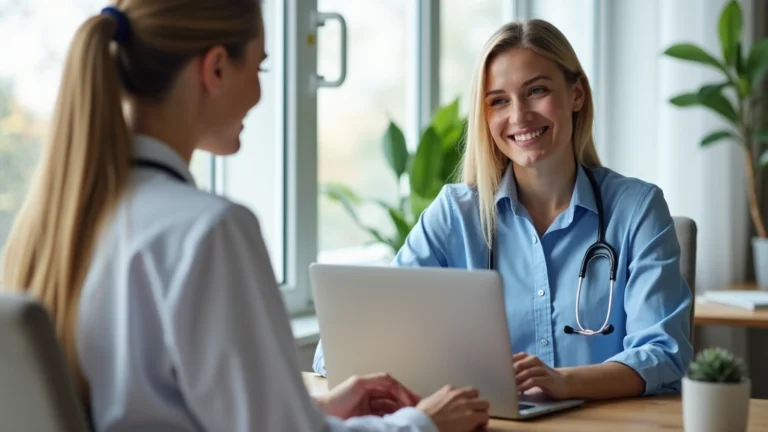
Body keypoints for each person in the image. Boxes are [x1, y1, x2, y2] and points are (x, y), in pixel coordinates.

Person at [0, 1, 491, 431]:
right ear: (215, 69)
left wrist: (310, 410)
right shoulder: (206, 230)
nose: (258, 94)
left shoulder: (51, 226)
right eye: (260, 68)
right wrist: (423, 423)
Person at [314, 18, 693, 400]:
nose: (519, 115)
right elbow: (342, 350)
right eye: (499, 101)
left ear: (576, 94)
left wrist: (564, 382)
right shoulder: (455, 216)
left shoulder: (637, 210)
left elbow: (663, 355)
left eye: (537, 90)